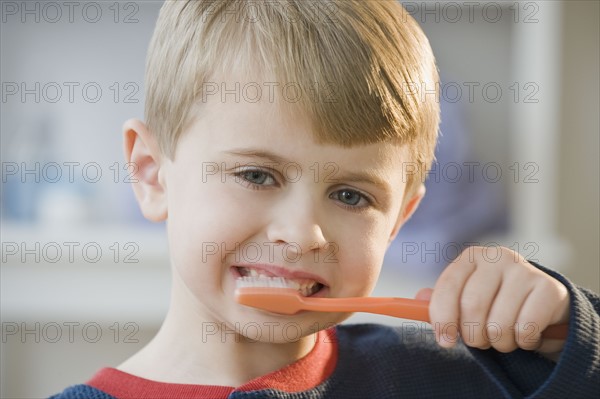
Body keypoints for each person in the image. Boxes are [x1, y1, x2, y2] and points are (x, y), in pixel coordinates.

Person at [51, 1, 599, 398]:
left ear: (398, 220)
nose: (303, 232)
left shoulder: (455, 377)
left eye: (350, 195)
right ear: (151, 173)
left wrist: (567, 335)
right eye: (257, 176)